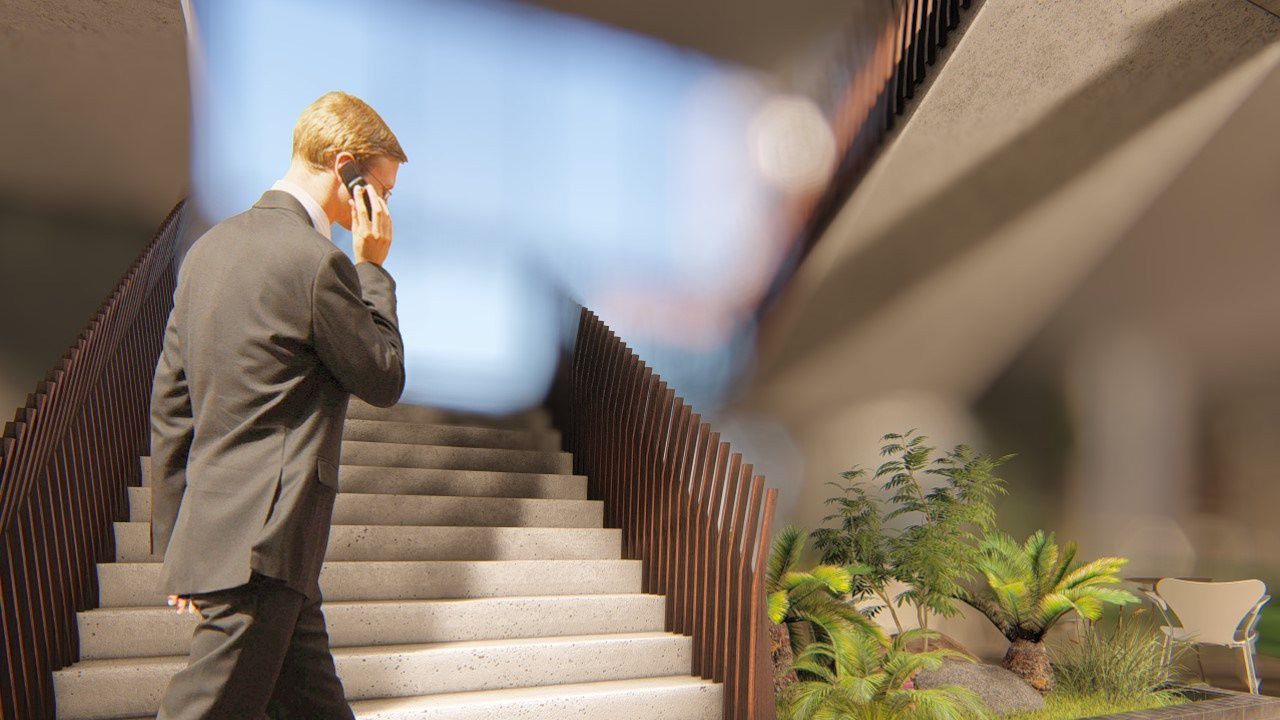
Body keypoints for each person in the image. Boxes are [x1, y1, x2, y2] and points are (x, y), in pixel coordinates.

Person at [149, 90, 407, 719]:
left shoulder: (204, 253)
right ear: (346, 166)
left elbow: (171, 405)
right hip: (268, 542)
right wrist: (372, 268)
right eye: (382, 189)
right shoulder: (318, 262)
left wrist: (178, 545)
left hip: (248, 548)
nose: (385, 206)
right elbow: (382, 376)